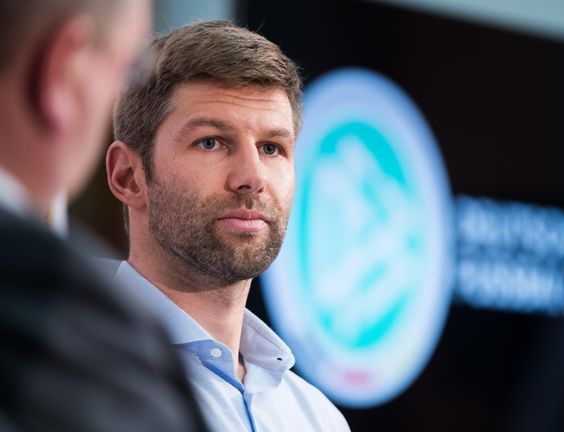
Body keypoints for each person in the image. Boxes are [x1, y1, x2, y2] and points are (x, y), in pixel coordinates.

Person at [106, 20, 350, 431]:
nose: (252, 177)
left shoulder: (317, 418)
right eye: (211, 142)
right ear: (129, 176)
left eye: (272, 148)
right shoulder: (63, 369)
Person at [0, 0, 208, 431]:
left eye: (273, 149)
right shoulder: (85, 339)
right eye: (128, 73)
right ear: (64, 69)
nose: (251, 179)